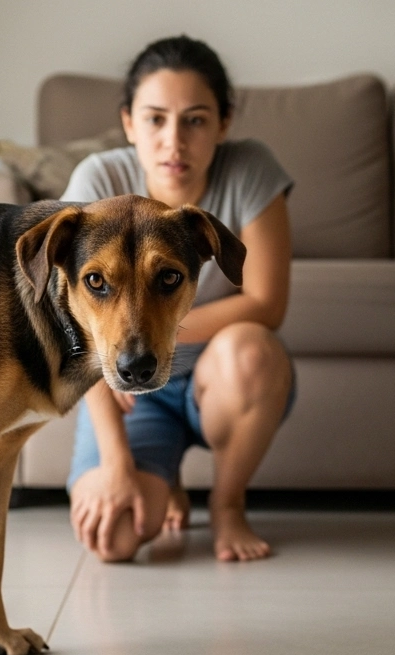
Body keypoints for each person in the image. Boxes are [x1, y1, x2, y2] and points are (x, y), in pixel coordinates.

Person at [63, 35, 295, 563]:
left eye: (195, 119)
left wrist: (154, 336)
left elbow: (266, 302)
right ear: (127, 122)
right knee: (114, 540)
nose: (174, 141)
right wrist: (117, 461)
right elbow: (73, 320)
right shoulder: (97, 180)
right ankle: (160, 477)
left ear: (224, 122)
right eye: (154, 119)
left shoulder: (251, 168)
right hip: (127, 385)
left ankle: (227, 505)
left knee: (253, 348)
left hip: (221, 380)